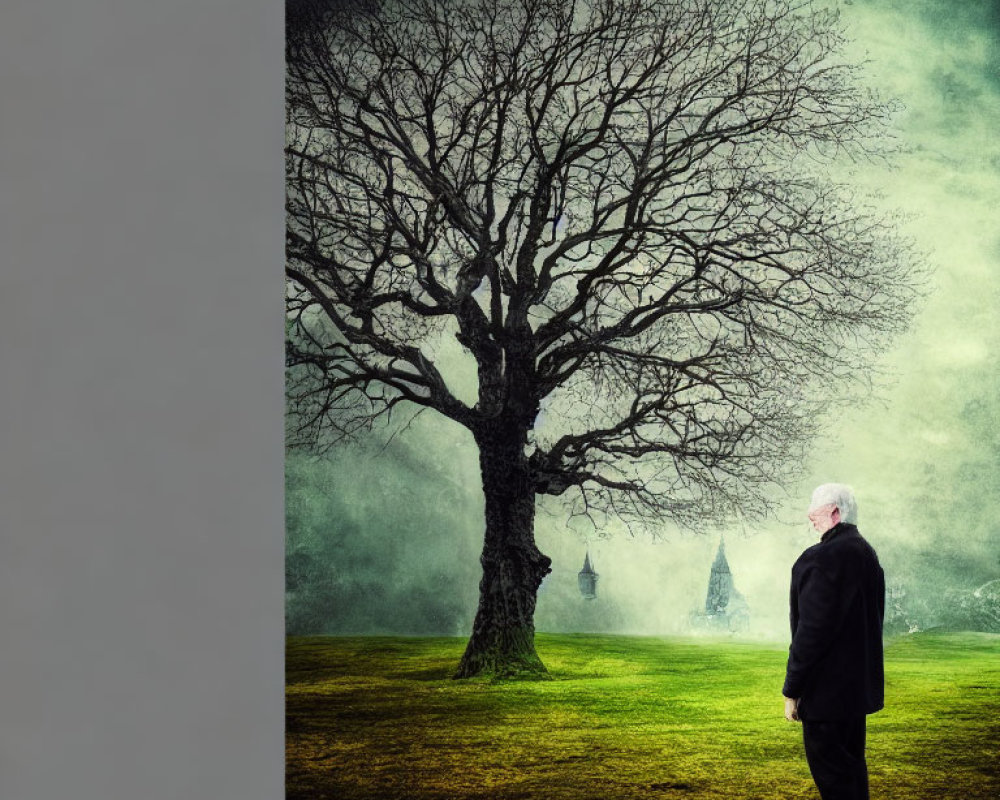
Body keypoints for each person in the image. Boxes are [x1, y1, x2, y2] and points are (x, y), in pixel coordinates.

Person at [782, 483, 885, 800]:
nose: (809, 516)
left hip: (826, 697)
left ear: (834, 512)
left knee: (835, 782)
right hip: (855, 696)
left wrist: (792, 690)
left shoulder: (822, 558)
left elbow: (811, 631)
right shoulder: (867, 555)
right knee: (852, 774)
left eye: (815, 508)